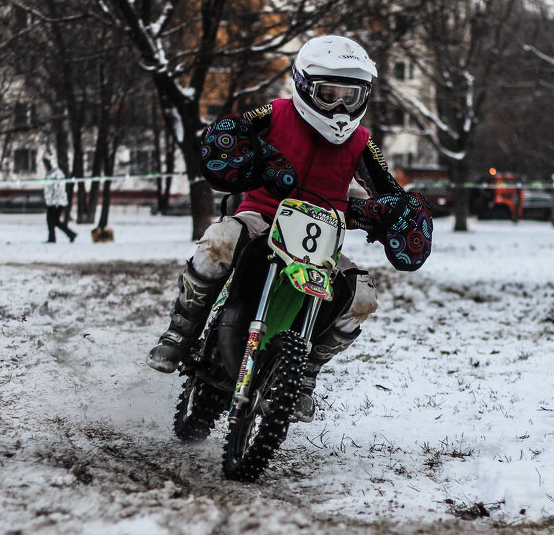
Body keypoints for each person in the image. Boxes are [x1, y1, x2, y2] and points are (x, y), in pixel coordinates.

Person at [147, 34, 433, 421]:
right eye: (328, 93)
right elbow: (232, 134)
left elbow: (388, 187)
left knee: (363, 298)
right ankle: (180, 331)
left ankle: (305, 373)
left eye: (350, 96)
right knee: (218, 241)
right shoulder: (275, 112)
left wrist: (389, 213)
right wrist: (253, 156)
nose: (339, 106)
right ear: (303, 85)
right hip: (262, 216)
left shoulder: (363, 142)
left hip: (322, 242)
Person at [42, 154, 76, 243]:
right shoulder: (50, 174)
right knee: (52, 220)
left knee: (53, 220)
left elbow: (58, 189)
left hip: (57, 202)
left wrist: (55, 202)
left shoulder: (57, 174)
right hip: (51, 202)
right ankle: (68, 235)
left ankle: (68, 234)